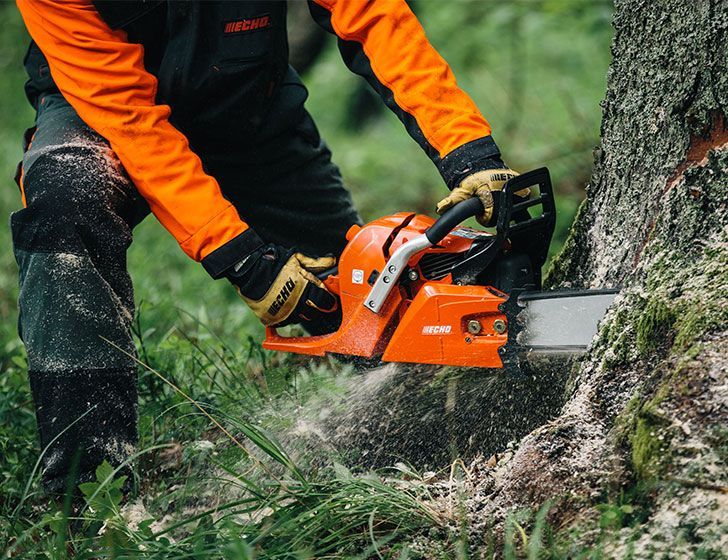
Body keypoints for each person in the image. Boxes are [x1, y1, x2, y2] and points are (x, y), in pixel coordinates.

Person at [14, 0, 520, 494]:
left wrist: (467, 152)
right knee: (66, 202)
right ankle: (87, 489)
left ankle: (447, 430)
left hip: (247, 102)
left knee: (366, 302)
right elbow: (130, 120)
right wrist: (245, 261)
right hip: (99, 111)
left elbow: (372, 14)